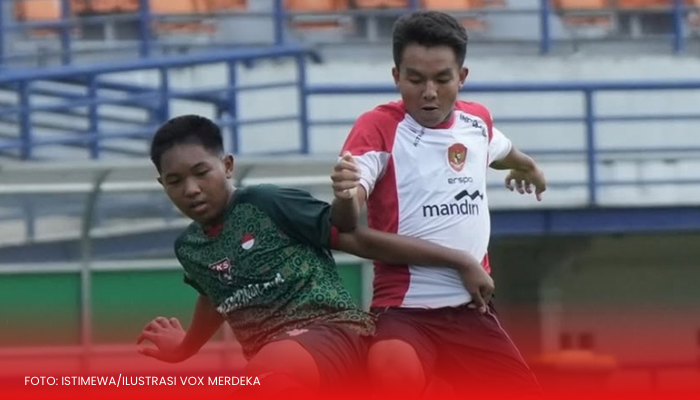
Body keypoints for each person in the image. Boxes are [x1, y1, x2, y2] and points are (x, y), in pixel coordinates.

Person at [135, 115, 494, 400]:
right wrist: (184, 348)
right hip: (285, 365)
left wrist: (459, 260)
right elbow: (214, 293)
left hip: (336, 333)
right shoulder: (189, 248)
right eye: (175, 181)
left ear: (227, 165)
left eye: (201, 173)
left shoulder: (267, 203)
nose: (191, 189)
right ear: (162, 184)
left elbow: (359, 239)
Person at [330, 10, 547, 400]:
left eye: (442, 79)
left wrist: (529, 167)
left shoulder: (477, 122)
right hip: (404, 313)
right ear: (396, 76)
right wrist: (345, 196)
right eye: (415, 79)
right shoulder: (376, 127)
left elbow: (502, 150)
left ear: (461, 77)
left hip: (471, 310)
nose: (429, 92)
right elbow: (346, 220)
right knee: (391, 373)